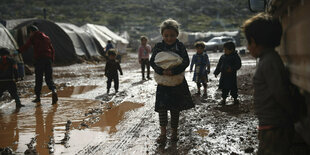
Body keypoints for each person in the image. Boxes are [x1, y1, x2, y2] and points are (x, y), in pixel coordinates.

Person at [243, 13, 295, 154]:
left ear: (254, 41)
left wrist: (293, 114)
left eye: (248, 43)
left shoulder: (269, 62)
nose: (248, 48)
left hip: (274, 127)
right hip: (271, 125)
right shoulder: (269, 59)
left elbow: (280, 93)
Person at [150, 18, 194, 143]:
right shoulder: (159, 46)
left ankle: (174, 133)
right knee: (162, 109)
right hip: (163, 83)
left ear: (177, 34)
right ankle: (163, 134)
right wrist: (162, 71)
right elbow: (153, 62)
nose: (169, 38)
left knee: (175, 109)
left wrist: (173, 71)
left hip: (176, 82)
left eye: (172, 35)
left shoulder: (180, 46)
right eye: (166, 35)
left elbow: (185, 61)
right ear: (162, 35)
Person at [18, 25, 58, 104]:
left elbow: (26, 46)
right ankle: (54, 90)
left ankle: (38, 98)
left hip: (39, 60)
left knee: (39, 79)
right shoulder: (46, 37)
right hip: (48, 60)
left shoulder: (33, 37)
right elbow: (52, 49)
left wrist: (18, 51)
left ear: (31, 31)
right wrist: (51, 60)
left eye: (29, 33)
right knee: (49, 79)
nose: (29, 35)